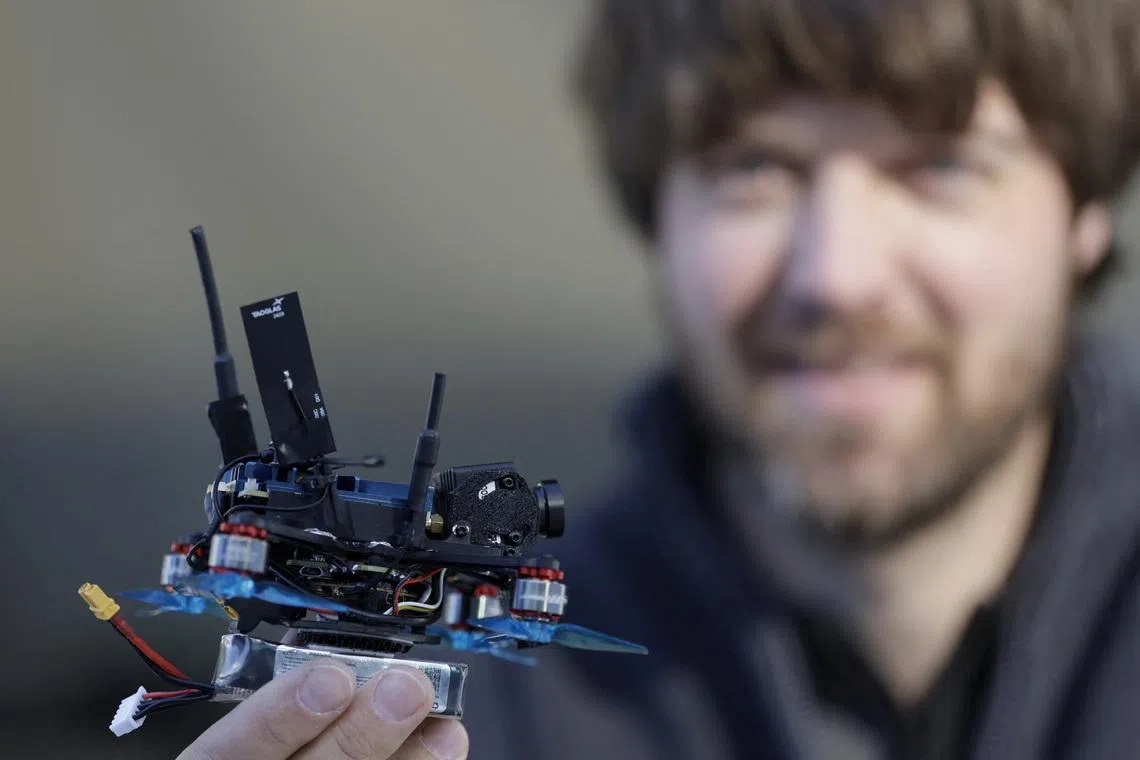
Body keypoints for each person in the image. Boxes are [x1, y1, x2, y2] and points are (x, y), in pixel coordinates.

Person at [177, 0, 1140, 758]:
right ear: (658, 217)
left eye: (939, 167)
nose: (837, 274)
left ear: (1087, 209)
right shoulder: (471, 707)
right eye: (755, 166)